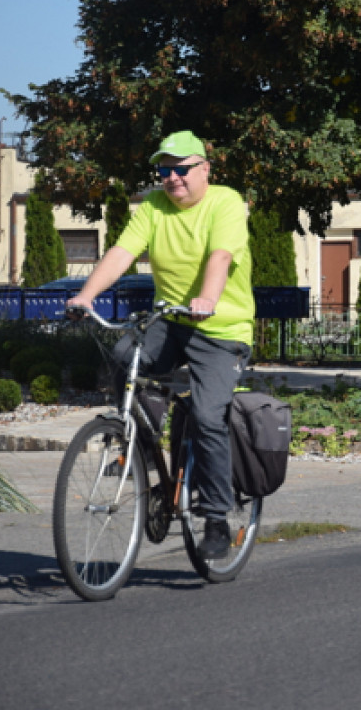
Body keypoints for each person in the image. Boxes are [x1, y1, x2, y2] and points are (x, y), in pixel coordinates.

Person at [67, 130, 255, 559]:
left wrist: (207, 298)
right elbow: (121, 253)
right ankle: (143, 451)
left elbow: (221, 256)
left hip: (221, 328)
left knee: (207, 416)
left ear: (205, 169)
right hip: (170, 321)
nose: (172, 178)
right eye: (165, 171)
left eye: (182, 169)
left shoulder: (225, 202)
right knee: (123, 357)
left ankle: (216, 517)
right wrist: (86, 296)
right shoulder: (153, 206)